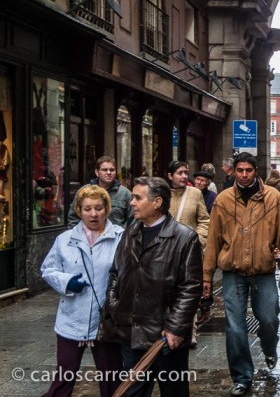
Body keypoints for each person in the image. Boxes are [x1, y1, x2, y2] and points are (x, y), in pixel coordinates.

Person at [203, 152, 280, 397]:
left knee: (269, 319)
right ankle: (242, 376)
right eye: (240, 170)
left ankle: (269, 346)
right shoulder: (223, 200)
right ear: (234, 171)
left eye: (249, 170)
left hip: (263, 270)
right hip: (233, 271)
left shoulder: (273, 198)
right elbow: (212, 240)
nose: (244, 175)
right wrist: (206, 277)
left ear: (256, 171)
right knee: (235, 327)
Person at [104, 177, 203, 397]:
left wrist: (176, 328)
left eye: (137, 198)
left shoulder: (185, 238)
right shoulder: (130, 232)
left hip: (165, 337)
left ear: (157, 202)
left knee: (173, 392)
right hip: (131, 332)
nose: (132, 203)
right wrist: (115, 305)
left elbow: (191, 288)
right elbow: (115, 273)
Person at [41, 185, 124, 397]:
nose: (93, 214)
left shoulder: (121, 238)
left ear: (107, 208)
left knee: (112, 382)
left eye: (98, 208)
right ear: (79, 210)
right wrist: (67, 282)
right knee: (63, 380)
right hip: (71, 321)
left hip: (106, 324)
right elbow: (48, 269)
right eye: (87, 209)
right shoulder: (65, 239)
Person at [68, 155, 133, 228]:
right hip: (88, 237)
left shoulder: (125, 194)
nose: (108, 173)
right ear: (97, 172)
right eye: (104, 170)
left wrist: (125, 236)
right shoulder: (84, 192)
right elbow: (73, 218)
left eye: (112, 170)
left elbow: (133, 220)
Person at [166, 161, 209, 248]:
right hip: (166, 246)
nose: (184, 176)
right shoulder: (162, 194)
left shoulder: (195, 193)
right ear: (170, 176)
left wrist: (198, 240)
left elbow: (204, 220)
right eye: (180, 173)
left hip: (189, 245)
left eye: (186, 173)